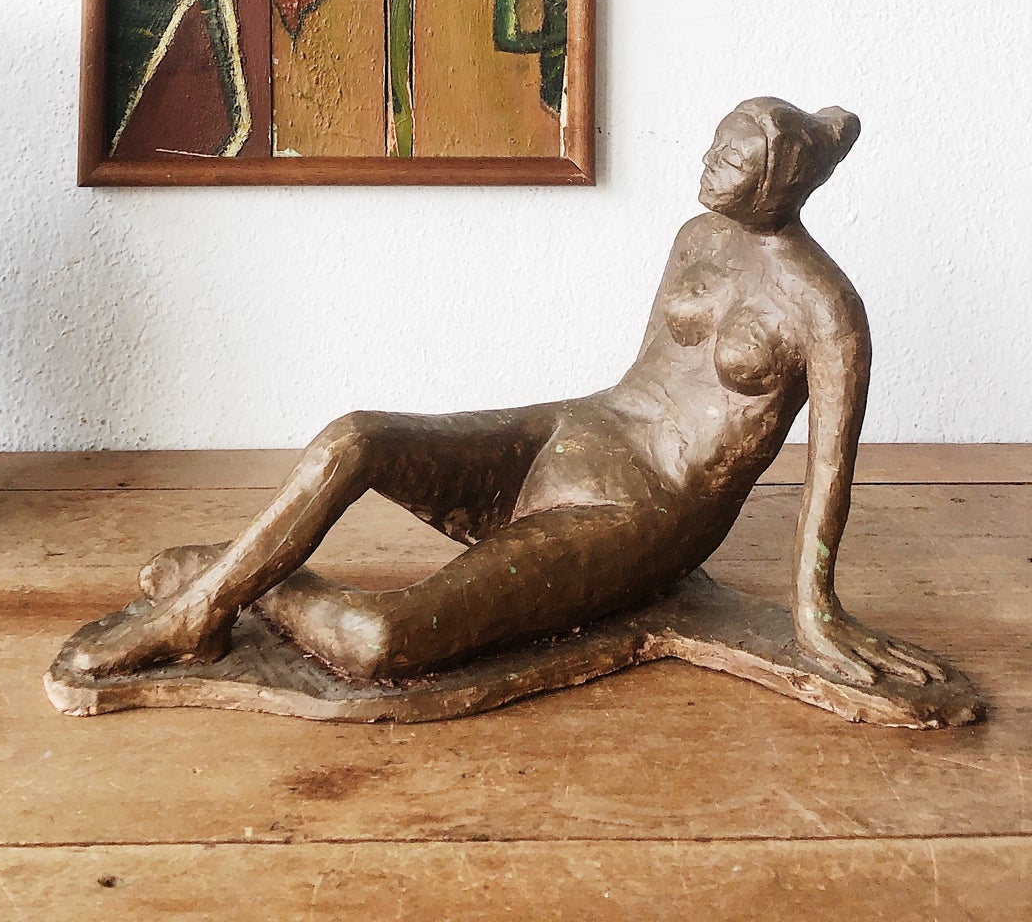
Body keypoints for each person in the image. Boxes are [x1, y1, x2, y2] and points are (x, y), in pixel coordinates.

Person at [71, 97, 945, 689]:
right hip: (578, 430)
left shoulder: (827, 312)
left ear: (781, 181)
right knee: (354, 438)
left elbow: (829, 475)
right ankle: (202, 610)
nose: (711, 165)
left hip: (649, 513)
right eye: (715, 147)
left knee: (380, 642)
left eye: (737, 160)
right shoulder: (699, 236)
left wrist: (815, 609)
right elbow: (641, 384)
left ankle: (235, 580)